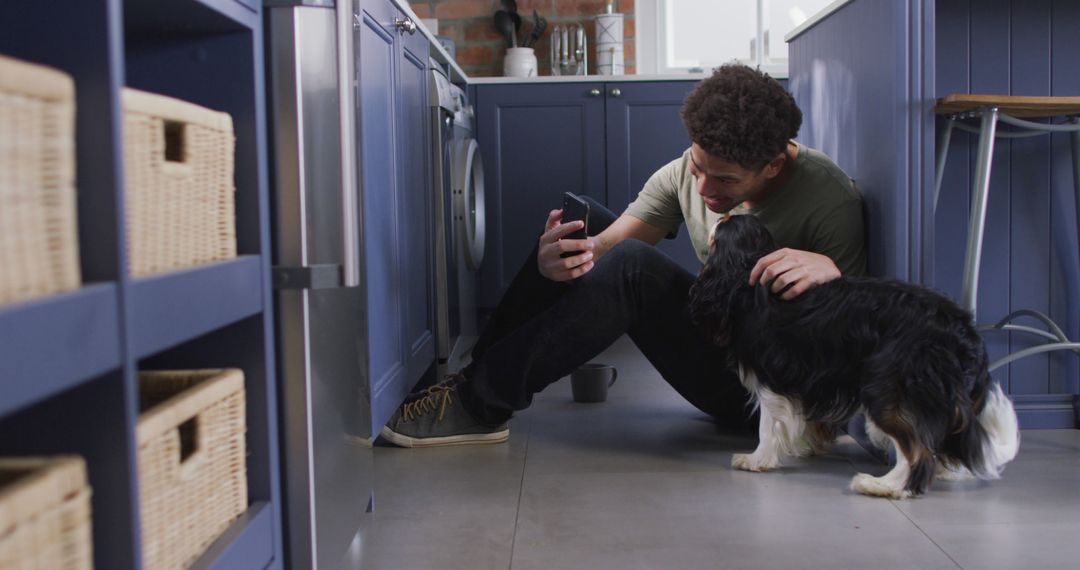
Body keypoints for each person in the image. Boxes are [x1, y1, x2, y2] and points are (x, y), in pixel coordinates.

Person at [380, 63, 867, 448]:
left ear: (774, 164)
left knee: (635, 266)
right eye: (697, 167)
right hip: (722, 340)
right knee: (576, 228)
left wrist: (837, 279)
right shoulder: (686, 174)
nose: (703, 188)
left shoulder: (827, 198)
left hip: (767, 396)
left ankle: (476, 403)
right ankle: (471, 390)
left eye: (725, 181)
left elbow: (854, 344)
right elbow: (603, 249)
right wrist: (556, 265)